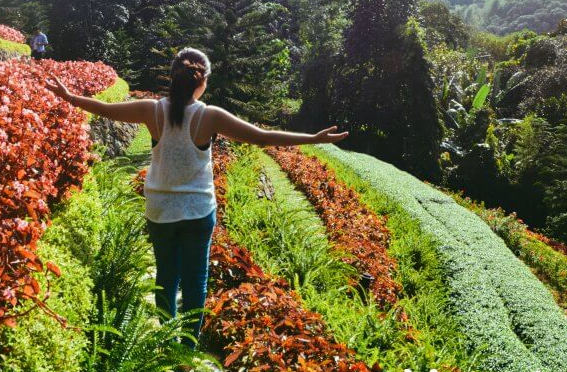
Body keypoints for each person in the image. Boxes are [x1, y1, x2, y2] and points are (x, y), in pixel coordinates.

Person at [44, 48, 348, 348]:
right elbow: (261, 137)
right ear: (202, 81)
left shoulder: (151, 109)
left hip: (160, 209)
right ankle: (185, 351)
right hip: (198, 211)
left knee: (166, 277)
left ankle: (168, 342)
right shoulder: (209, 116)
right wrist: (313, 138)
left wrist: (70, 97)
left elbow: (104, 108)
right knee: (195, 281)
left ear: (174, 77)